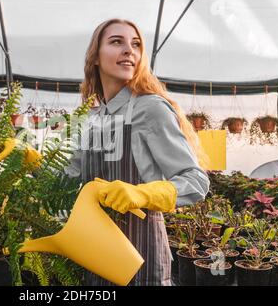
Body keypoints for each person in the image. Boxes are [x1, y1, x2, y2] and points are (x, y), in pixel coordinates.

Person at [62, 18, 210, 286]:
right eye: (116, 42)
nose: (129, 50)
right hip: (94, 251)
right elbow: (68, 180)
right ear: (95, 56)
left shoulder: (149, 109)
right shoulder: (90, 117)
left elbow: (196, 180)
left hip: (140, 252)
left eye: (136, 44)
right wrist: (31, 161)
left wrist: (142, 192)